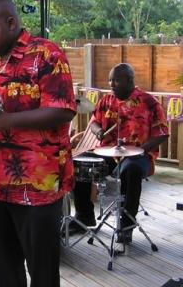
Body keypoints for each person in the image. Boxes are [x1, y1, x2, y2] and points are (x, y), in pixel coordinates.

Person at [0, 0, 76, 287]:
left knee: (42, 274)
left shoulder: (47, 55)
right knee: (3, 270)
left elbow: (63, 109)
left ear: (11, 23)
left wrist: (7, 121)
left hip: (37, 186)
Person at [71, 63, 169, 243]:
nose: (111, 84)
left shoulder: (149, 102)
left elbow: (163, 132)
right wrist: (98, 130)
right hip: (108, 153)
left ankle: (126, 226)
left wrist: (140, 149)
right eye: (110, 80)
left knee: (130, 170)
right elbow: (93, 122)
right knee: (79, 162)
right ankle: (84, 216)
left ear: (130, 80)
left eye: (116, 80)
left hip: (139, 156)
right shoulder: (106, 101)